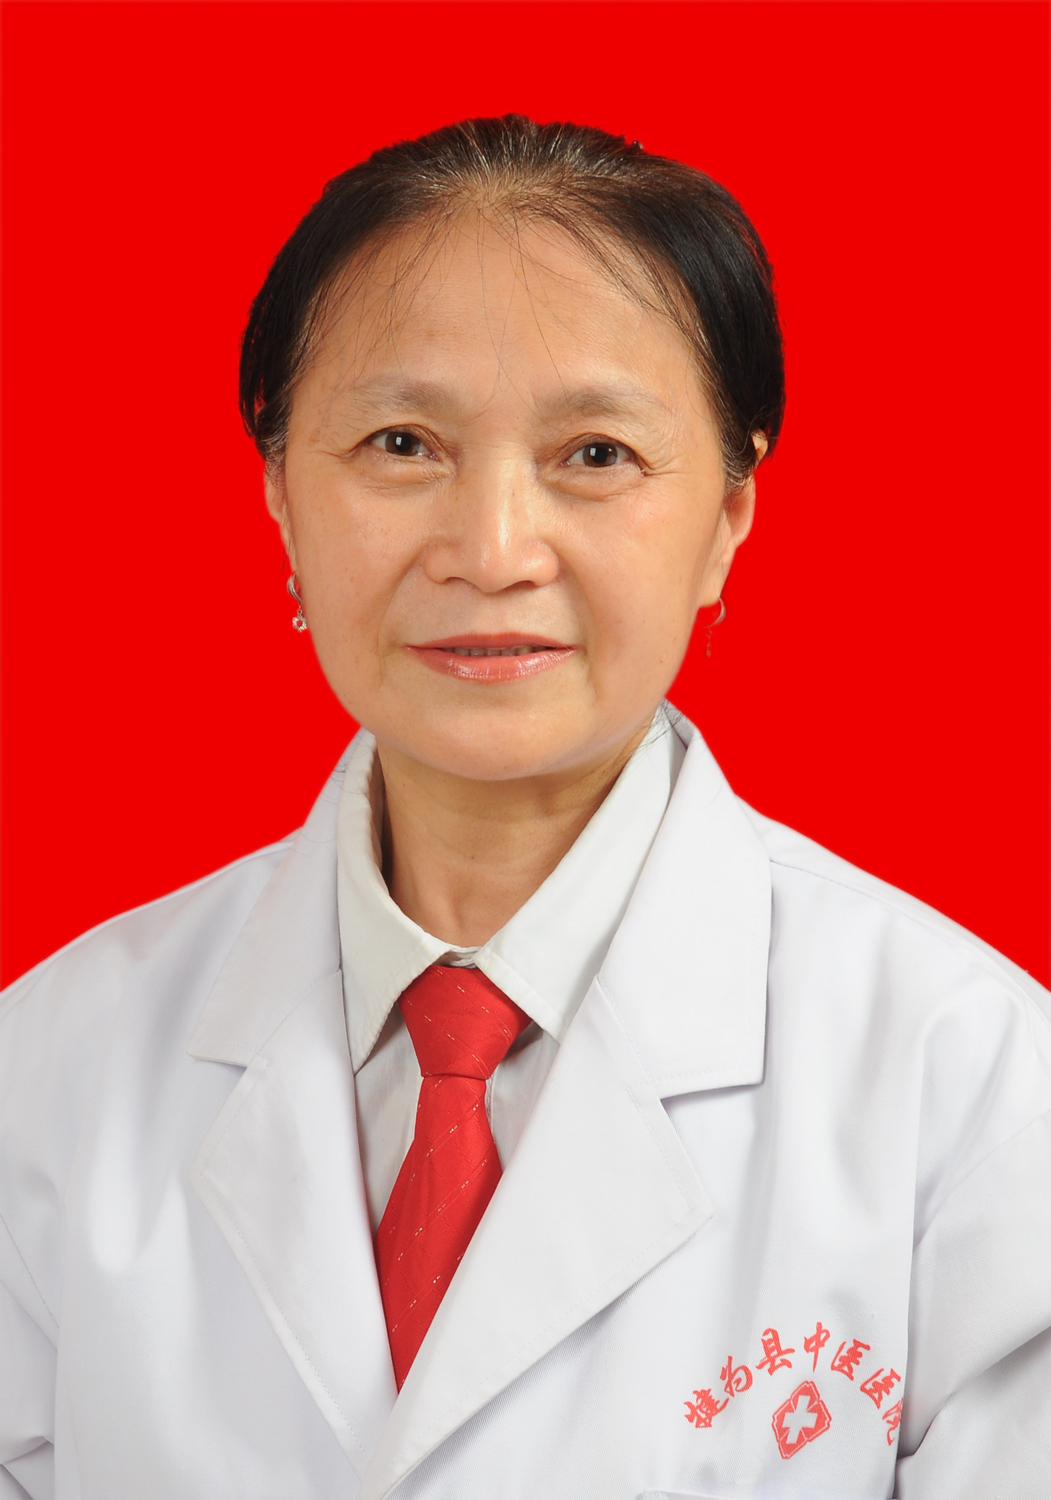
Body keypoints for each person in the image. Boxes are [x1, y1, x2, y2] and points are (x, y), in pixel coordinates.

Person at [1, 115, 1048, 1500]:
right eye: (401, 443)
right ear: (279, 495)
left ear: (729, 514)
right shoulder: (54, 1066)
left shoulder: (973, 1090)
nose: (491, 552)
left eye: (595, 455)